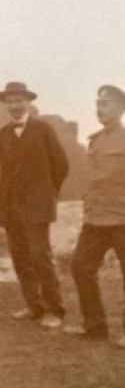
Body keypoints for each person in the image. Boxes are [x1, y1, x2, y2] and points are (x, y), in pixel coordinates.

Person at [0, 81, 69, 329]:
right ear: (6, 105)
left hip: (38, 206)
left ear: (28, 102)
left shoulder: (43, 129)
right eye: (10, 101)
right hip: (12, 206)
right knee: (21, 257)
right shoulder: (2, 134)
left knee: (40, 256)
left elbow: (60, 165)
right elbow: (6, 171)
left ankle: (55, 310)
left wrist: (47, 194)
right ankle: (33, 306)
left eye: (19, 101)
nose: (15, 106)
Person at [65, 85, 125, 349]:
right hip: (95, 219)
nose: (100, 109)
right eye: (98, 104)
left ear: (121, 109)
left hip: (122, 217)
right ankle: (95, 326)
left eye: (106, 104)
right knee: (80, 267)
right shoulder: (95, 141)